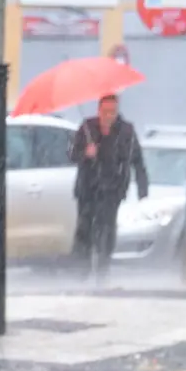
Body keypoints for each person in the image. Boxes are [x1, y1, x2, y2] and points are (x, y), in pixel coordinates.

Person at [68, 94, 149, 284]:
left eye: (112, 112)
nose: (108, 116)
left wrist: (142, 189)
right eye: (105, 111)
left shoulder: (126, 132)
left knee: (106, 231)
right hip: (87, 190)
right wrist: (85, 153)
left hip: (112, 190)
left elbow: (137, 160)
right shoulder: (87, 128)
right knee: (84, 230)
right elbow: (71, 154)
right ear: (99, 111)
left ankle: (102, 272)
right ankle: (81, 272)